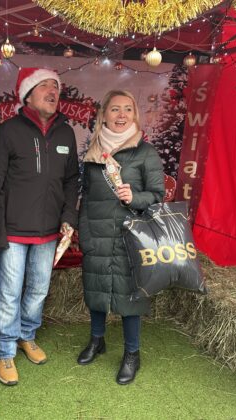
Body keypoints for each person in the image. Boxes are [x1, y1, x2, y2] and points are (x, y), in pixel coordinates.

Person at [0, 68, 79, 386]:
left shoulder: (66, 134)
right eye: (45, 86)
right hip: (13, 230)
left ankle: (26, 335)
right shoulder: (7, 132)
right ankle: (4, 350)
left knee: (39, 289)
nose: (53, 91)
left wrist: (68, 216)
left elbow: (72, 180)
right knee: (9, 293)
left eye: (56, 87)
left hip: (50, 231)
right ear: (27, 95)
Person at [77, 90, 165, 385]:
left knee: (130, 298)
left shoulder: (145, 152)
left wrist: (134, 198)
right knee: (96, 292)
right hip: (98, 234)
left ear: (135, 115)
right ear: (104, 114)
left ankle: (132, 353)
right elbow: (86, 198)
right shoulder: (93, 153)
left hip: (131, 237)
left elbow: (157, 195)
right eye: (115, 109)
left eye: (128, 109)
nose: (122, 115)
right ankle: (97, 340)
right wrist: (85, 233)